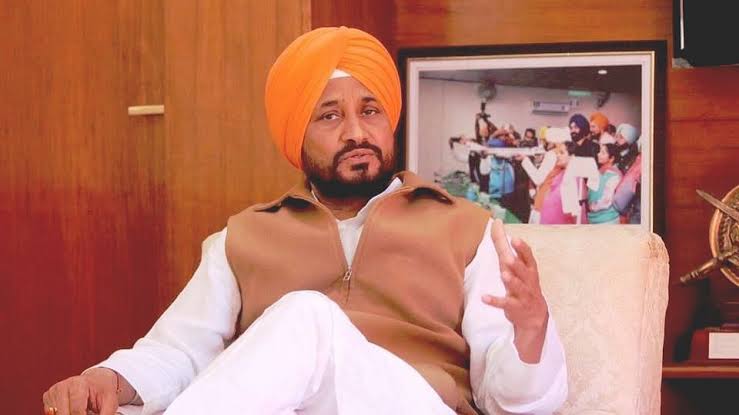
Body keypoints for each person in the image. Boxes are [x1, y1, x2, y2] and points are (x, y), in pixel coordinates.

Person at [42, 27, 567, 415]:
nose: (356, 131)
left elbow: (515, 402)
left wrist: (531, 333)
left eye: (371, 111)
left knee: (307, 315)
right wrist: (109, 378)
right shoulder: (243, 237)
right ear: (296, 135)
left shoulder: (466, 227)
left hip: (414, 403)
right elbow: (178, 350)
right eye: (330, 116)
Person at [587, 143, 623, 224]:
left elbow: (607, 200)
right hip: (594, 217)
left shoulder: (615, 175)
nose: (598, 154)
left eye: (603, 153)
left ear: (611, 158)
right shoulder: (599, 171)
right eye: (599, 151)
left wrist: (593, 207)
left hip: (607, 219)